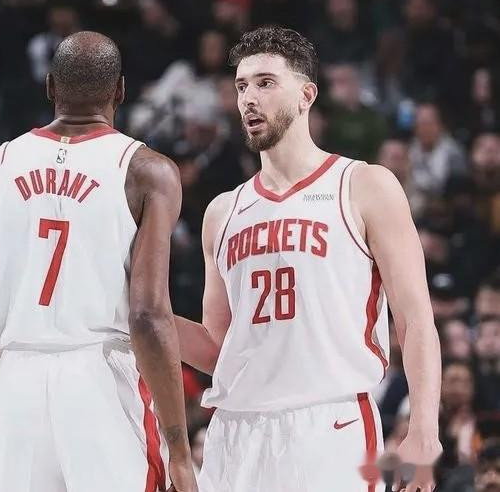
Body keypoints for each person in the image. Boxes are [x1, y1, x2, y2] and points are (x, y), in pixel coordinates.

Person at [174, 26, 442, 491]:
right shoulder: (222, 212)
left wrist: (424, 429)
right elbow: (219, 350)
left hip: (329, 425)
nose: (249, 99)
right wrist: (140, 312)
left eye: (265, 83)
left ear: (306, 95)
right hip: (235, 433)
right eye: (241, 86)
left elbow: (415, 320)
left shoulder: (363, 185)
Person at [0, 31, 197, 492]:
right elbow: (147, 315)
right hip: (101, 379)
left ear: (49, 86)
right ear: (120, 90)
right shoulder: (146, 171)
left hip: (16, 386)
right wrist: (180, 453)